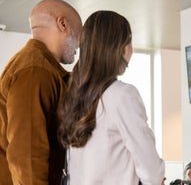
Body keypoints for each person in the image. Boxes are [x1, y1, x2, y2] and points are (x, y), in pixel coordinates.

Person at [57, 10, 165, 185]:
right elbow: (152, 172)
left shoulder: (75, 96)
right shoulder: (123, 95)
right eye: (129, 41)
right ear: (119, 48)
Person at [0, 0, 82, 185]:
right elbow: (27, 154)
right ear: (63, 24)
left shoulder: (41, 68)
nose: (79, 46)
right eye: (79, 35)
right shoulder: (35, 71)